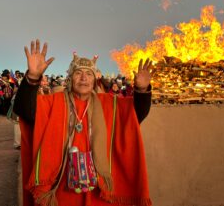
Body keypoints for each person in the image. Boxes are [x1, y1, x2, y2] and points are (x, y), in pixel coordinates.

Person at [14, 39, 153, 206]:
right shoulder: (55, 102)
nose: (83, 78)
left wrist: (142, 91)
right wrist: (32, 78)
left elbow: (134, 115)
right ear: (70, 78)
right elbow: (25, 111)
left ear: (94, 80)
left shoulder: (109, 103)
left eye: (89, 74)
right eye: (78, 73)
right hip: (61, 189)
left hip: (98, 192)